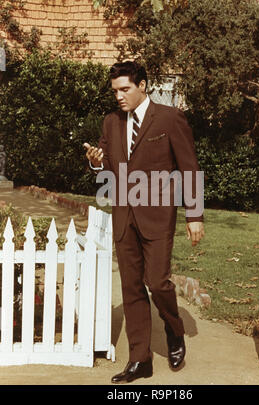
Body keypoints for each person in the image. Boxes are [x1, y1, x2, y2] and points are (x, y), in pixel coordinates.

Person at [84, 61, 204, 384]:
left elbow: (189, 168)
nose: (119, 97)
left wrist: (194, 214)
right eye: (115, 91)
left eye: (125, 89)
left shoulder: (169, 119)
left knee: (157, 282)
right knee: (132, 287)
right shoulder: (110, 123)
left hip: (158, 217)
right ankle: (140, 359)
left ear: (143, 86)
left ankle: (174, 327)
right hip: (124, 217)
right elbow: (109, 167)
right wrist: (97, 164)